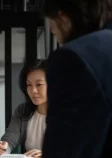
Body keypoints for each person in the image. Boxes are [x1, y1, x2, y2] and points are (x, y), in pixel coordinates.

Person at [42, 0, 112, 157]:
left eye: (54, 32)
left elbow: (66, 150)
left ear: (63, 19)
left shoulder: (75, 58)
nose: (59, 40)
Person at [0, 59, 48, 158]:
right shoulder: (22, 110)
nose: (33, 90)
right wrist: (2, 148)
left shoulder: (67, 113)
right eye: (29, 85)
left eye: (39, 84)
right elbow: (9, 139)